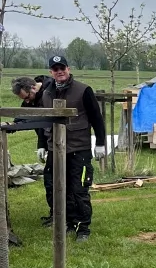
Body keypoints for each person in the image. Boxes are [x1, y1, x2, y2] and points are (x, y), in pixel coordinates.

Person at [39, 55, 106, 241]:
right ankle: (68, 222)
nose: (60, 72)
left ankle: (83, 228)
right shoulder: (47, 93)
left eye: (62, 68)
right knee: (58, 187)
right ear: (51, 72)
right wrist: (42, 144)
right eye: (55, 69)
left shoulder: (83, 90)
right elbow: (44, 121)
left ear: (68, 69)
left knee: (79, 189)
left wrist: (100, 143)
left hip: (78, 148)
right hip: (55, 148)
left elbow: (96, 118)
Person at [12, 74, 55, 227]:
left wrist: (42, 144)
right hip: (49, 142)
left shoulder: (50, 93)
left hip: (60, 142)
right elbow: (23, 114)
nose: (27, 101)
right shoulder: (32, 97)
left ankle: (62, 215)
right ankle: (55, 213)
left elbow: (45, 121)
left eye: (27, 97)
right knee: (50, 179)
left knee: (54, 179)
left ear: (32, 88)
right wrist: (12, 125)